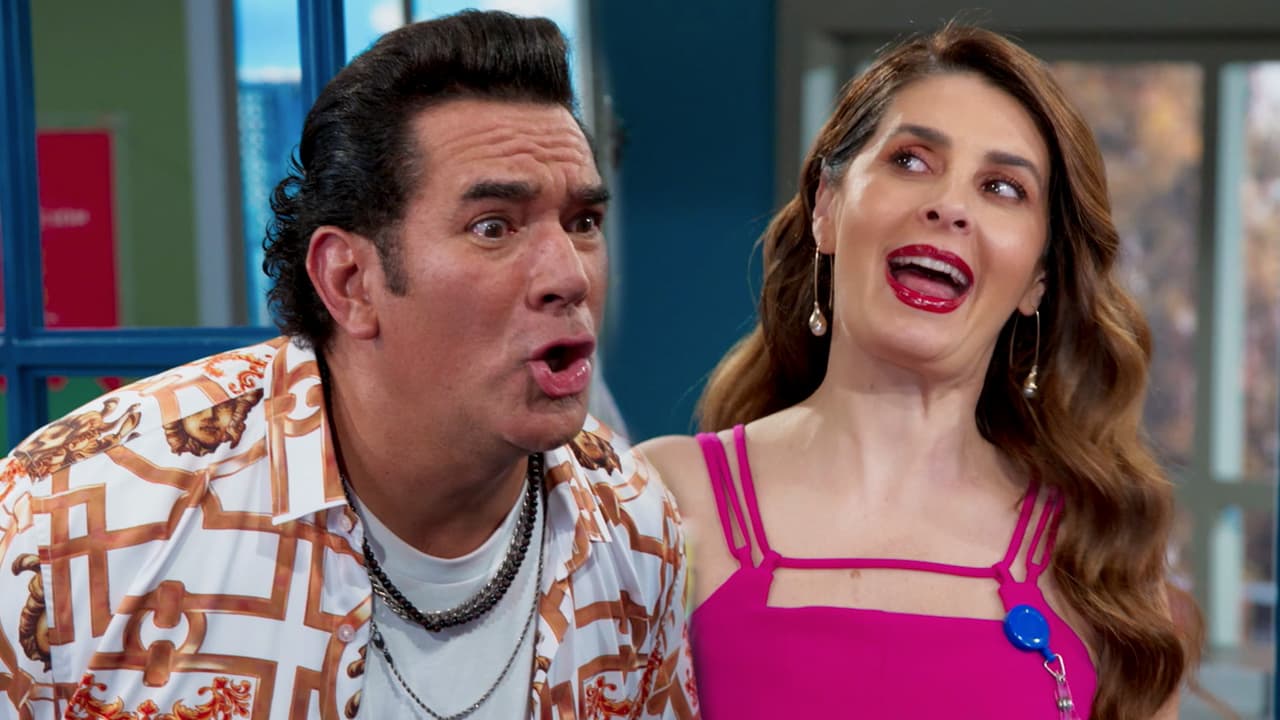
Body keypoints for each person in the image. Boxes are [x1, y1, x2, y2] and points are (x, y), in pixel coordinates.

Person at [0, 11, 696, 719]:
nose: (569, 276)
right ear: (350, 282)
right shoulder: (72, 520)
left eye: (583, 222)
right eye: (494, 227)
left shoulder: (633, 524)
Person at [639, 23, 1191, 720]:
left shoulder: (1104, 564)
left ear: (1038, 280)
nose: (950, 206)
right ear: (826, 207)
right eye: (910, 160)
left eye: (1002, 187)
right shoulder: (663, 501)